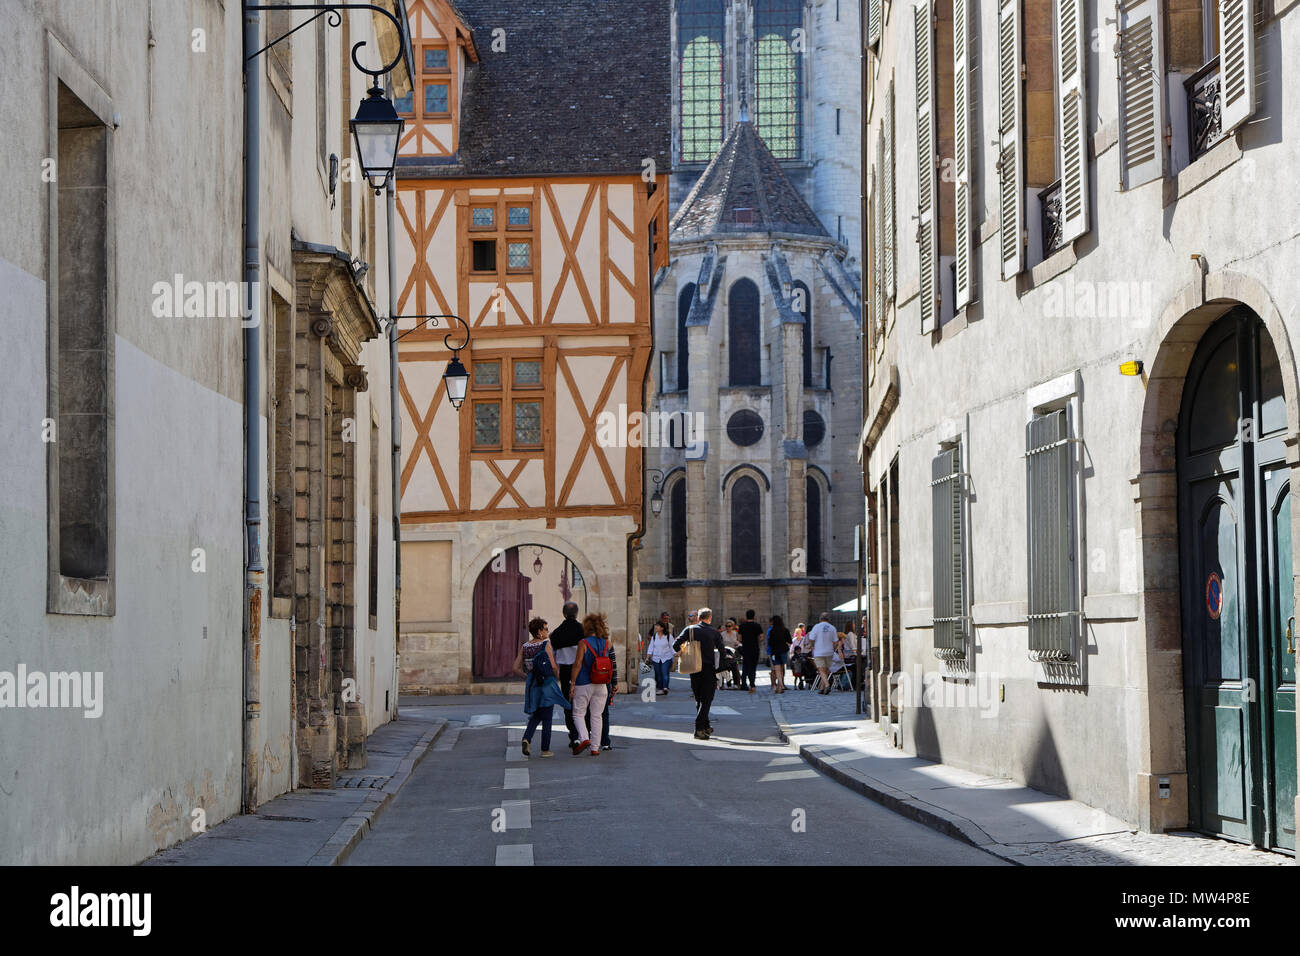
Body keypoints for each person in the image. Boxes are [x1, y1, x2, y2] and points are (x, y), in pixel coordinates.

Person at [512, 617, 569, 756]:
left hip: (533, 684)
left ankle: (527, 738)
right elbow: (554, 666)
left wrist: (528, 677)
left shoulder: (525, 646)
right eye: (545, 629)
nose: (548, 631)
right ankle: (545, 749)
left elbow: (515, 668)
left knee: (536, 714)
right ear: (539, 632)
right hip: (547, 682)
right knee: (547, 716)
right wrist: (557, 677)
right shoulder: (545, 644)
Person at [568, 612, 615, 755]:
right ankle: (595, 748)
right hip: (601, 683)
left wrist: (572, 683)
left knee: (578, 713)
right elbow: (611, 662)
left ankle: (584, 738)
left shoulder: (583, 643)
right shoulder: (608, 643)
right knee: (597, 715)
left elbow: (577, 664)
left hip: (583, 682)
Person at [674, 607, 724, 740]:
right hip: (708, 668)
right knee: (707, 699)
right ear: (710, 617)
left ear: (698, 617)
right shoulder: (714, 632)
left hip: (694, 668)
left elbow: (675, 645)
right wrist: (721, 669)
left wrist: (684, 651)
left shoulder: (689, 630)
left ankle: (705, 726)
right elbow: (722, 651)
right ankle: (698, 728)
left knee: (699, 699)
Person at [549, 602, 584, 749]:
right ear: (576, 614)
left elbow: (554, 658)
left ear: (564, 614)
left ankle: (574, 736)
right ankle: (583, 735)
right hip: (581, 670)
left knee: (568, 704)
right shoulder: (583, 630)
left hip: (564, 671)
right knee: (582, 703)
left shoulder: (556, 634)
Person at [806, 613, 838, 694]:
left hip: (819, 651)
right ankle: (821, 688)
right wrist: (833, 649)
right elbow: (836, 641)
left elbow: (811, 638)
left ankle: (827, 685)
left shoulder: (816, 627)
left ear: (820, 619)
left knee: (821, 670)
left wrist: (811, 645)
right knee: (826, 670)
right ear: (829, 619)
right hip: (829, 651)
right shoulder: (832, 628)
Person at [645, 621, 675, 695]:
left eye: (657, 626)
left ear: (662, 628)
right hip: (656, 658)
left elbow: (672, 646)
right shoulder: (654, 637)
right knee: (658, 674)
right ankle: (661, 688)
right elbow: (651, 647)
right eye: (656, 626)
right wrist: (647, 657)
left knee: (665, 673)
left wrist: (675, 654)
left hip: (666, 657)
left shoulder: (668, 636)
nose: (656, 627)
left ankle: (665, 688)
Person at [737, 609, 763, 694]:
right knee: (753, 667)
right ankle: (752, 684)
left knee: (746, 666)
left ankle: (747, 684)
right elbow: (761, 637)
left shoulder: (742, 626)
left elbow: (739, 638)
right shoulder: (757, 625)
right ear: (754, 616)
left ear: (746, 616)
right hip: (755, 648)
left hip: (746, 648)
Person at [767, 614, 792, 694]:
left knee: (777, 670)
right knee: (781, 669)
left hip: (774, 652)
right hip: (783, 651)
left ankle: (780, 686)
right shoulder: (785, 630)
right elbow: (790, 641)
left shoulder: (772, 631)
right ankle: (780, 686)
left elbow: (770, 642)